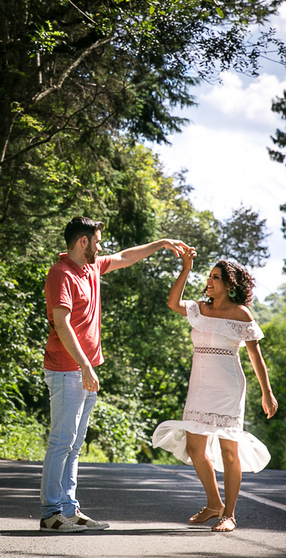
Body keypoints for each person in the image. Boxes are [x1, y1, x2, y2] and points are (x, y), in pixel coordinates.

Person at [39, 216, 190, 533]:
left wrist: (161, 243)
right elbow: (61, 324)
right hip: (68, 370)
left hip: (84, 371)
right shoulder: (60, 274)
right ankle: (51, 513)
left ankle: (69, 508)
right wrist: (84, 365)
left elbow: (125, 257)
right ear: (84, 242)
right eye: (97, 241)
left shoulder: (90, 268)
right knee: (61, 442)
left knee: (75, 444)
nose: (101, 246)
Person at [151, 247, 278, 533]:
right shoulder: (199, 309)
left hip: (228, 387)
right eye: (209, 276)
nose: (210, 281)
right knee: (195, 447)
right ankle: (213, 504)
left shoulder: (240, 314)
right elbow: (173, 302)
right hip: (200, 385)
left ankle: (229, 515)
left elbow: (256, 358)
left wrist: (266, 393)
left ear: (230, 285)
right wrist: (185, 268)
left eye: (216, 277)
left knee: (228, 450)